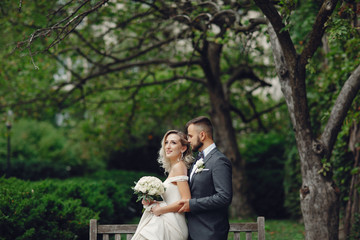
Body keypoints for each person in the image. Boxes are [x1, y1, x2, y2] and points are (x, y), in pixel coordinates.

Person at [131, 130, 194, 240]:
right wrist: (152, 202)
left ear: (183, 148)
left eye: (173, 143)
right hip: (167, 221)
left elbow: (186, 201)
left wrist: (161, 210)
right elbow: (173, 199)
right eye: (166, 143)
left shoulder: (179, 166)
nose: (168, 146)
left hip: (173, 225)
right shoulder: (174, 168)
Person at [178, 116, 233, 240]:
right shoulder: (197, 159)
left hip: (210, 233)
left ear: (202, 135)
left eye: (190, 136)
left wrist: (192, 204)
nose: (188, 140)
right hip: (192, 231)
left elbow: (224, 197)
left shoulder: (219, 161)